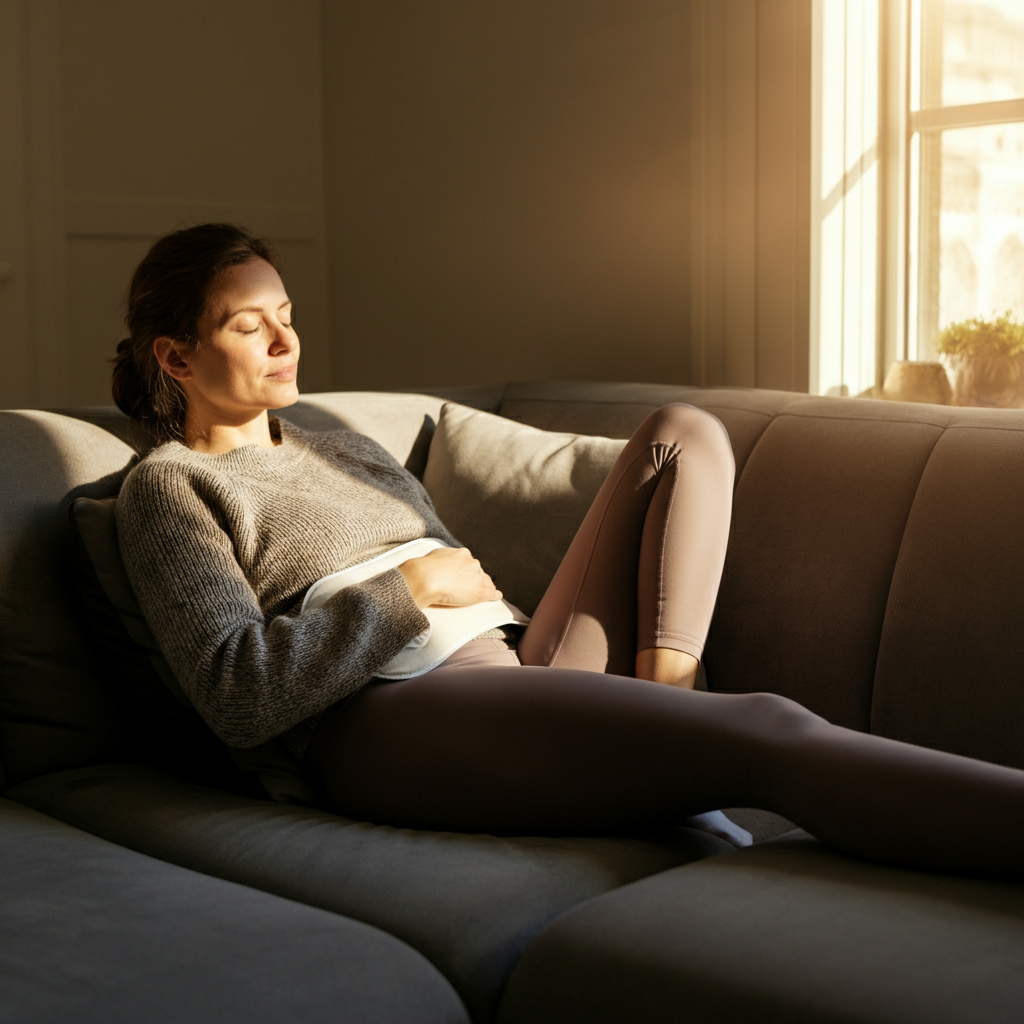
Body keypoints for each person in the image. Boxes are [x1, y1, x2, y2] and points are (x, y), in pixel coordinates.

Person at [112, 223, 1023, 877]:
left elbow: (469, 593)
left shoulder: (337, 440)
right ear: (177, 358)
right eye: (247, 325)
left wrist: (456, 596)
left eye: (287, 313)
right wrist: (408, 587)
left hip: (502, 664)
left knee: (682, 433)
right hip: (391, 716)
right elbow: (235, 692)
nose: (285, 341)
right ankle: (689, 749)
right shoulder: (171, 486)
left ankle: (664, 711)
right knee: (771, 730)